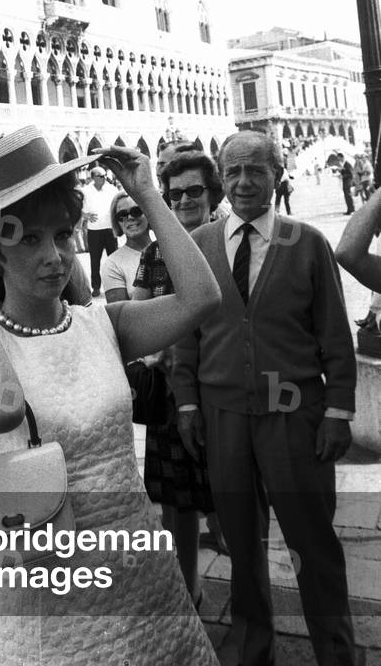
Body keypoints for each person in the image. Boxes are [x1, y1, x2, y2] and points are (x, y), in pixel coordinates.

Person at [0, 125, 222, 666]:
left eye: (64, 234)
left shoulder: (103, 324)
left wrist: (147, 193)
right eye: (28, 239)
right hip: (47, 575)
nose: (54, 255)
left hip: (139, 562)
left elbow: (201, 298)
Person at [174, 130, 357, 666]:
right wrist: (187, 402)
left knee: (313, 545)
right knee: (241, 546)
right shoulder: (201, 244)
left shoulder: (307, 244)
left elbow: (334, 337)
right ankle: (253, 650)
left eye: (256, 170)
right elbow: (188, 330)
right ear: (221, 179)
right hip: (223, 415)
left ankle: (338, 653)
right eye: (232, 172)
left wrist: (338, 413)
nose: (244, 182)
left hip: (294, 417)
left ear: (278, 175)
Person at [127, 151, 226, 606]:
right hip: (170, 393)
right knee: (178, 503)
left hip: (223, 389)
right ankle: (189, 591)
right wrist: (157, 347)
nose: (184, 200)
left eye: (194, 191)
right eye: (175, 193)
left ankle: (242, 570)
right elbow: (139, 309)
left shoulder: (230, 242)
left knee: (232, 492)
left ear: (212, 193)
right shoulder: (154, 250)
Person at [101, 191, 152, 301]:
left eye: (136, 211)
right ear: (117, 222)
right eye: (122, 215)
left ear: (148, 213)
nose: (130, 217)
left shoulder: (167, 249)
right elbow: (121, 316)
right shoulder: (112, 264)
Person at [80, 165, 118, 296]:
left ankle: (116, 285)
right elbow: (77, 206)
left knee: (113, 259)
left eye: (105, 175)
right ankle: (96, 287)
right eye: (101, 176)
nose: (105, 178)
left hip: (109, 229)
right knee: (94, 260)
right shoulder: (85, 191)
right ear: (93, 178)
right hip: (94, 230)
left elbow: (117, 205)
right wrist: (85, 215)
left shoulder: (112, 189)